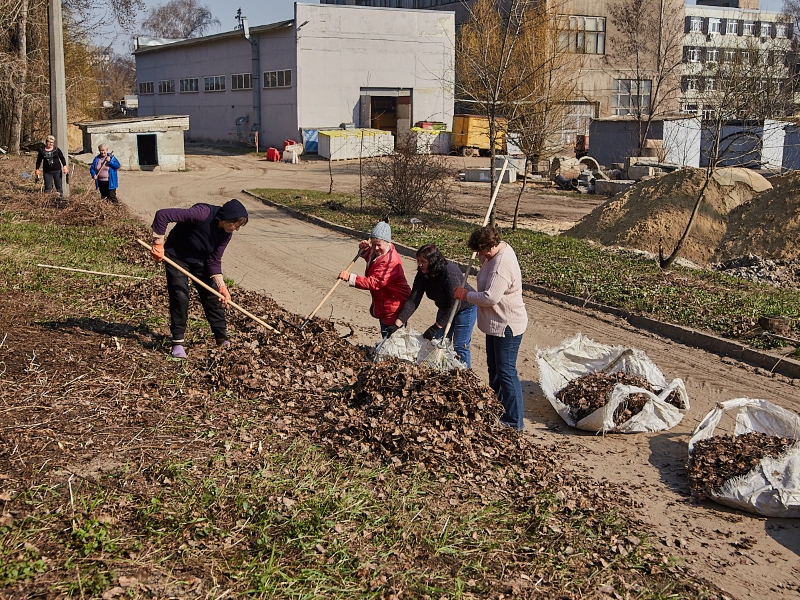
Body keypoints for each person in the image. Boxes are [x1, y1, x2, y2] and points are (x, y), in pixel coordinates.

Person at [150, 198, 249, 359]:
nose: (236, 229)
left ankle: (221, 338)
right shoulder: (202, 214)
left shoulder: (226, 233)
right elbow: (163, 215)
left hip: (200, 260)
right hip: (176, 256)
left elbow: (214, 260)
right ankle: (177, 343)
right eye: (236, 225)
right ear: (226, 219)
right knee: (180, 296)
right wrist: (158, 243)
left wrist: (222, 286)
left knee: (213, 296)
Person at [454, 225, 527, 430]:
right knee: (494, 371)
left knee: (506, 373)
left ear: (490, 246)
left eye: (481, 251)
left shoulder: (501, 264)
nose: (479, 255)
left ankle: (514, 422)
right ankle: (498, 411)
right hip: (495, 325)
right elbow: (485, 263)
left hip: (507, 325)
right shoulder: (493, 255)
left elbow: (490, 297)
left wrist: (465, 294)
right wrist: (480, 256)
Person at [394, 244, 477, 367]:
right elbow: (413, 300)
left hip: (464, 308)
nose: (420, 264)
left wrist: (436, 326)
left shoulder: (449, 272)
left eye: (423, 261)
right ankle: (442, 371)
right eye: (418, 261)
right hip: (445, 308)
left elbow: (454, 305)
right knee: (438, 342)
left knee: (460, 345)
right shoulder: (423, 274)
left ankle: (465, 374)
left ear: (432, 261)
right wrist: (397, 323)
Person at [338, 221, 411, 337]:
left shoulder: (391, 261)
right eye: (373, 244)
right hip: (384, 302)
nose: (375, 248)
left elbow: (374, 282)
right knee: (386, 336)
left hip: (394, 305)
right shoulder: (379, 251)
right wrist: (365, 251)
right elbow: (373, 262)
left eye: (379, 245)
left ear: (387, 242)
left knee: (391, 340)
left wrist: (350, 277)